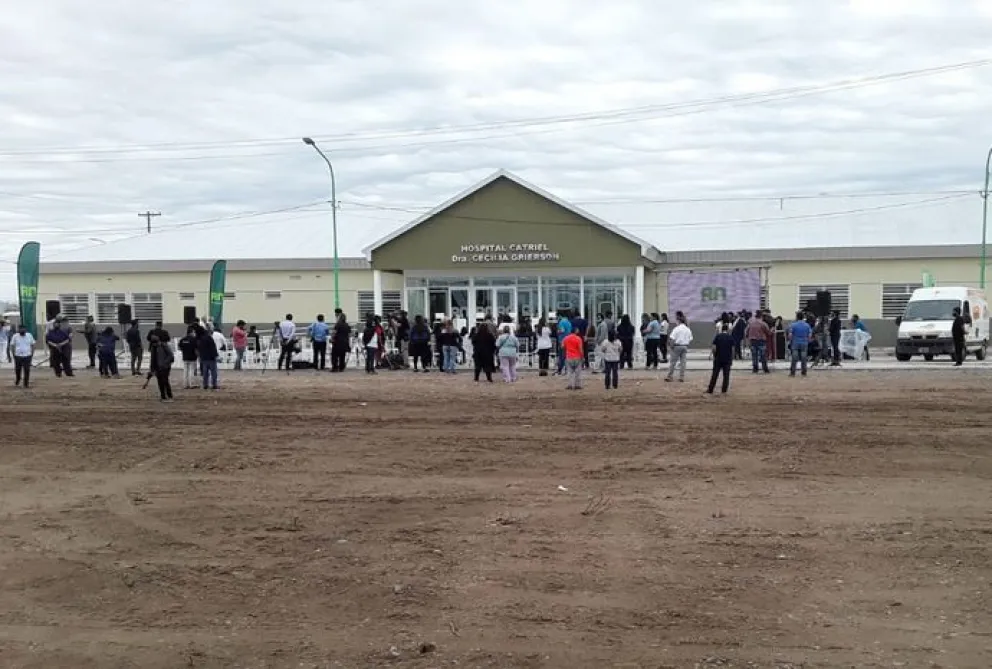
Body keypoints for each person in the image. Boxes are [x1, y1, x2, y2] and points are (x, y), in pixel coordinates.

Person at [707, 323, 735, 395]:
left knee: (715, 374)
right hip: (727, 359)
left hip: (718, 358)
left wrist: (714, 355)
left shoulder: (718, 336)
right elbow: (732, 350)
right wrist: (731, 358)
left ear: (721, 329)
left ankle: (710, 389)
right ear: (728, 330)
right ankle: (724, 390)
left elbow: (714, 348)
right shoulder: (730, 337)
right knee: (726, 376)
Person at [665, 314, 693, 383]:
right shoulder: (687, 329)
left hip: (676, 346)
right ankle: (681, 377)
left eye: (676, 320)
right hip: (685, 346)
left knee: (673, 362)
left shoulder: (676, 329)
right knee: (683, 362)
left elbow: (672, 339)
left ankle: (670, 376)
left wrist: (671, 346)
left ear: (679, 321)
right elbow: (690, 338)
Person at [146, 334, 175, 401]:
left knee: (165, 381)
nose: (155, 344)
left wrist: (164, 363)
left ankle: (170, 396)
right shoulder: (153, 348)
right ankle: (163, 396)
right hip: (157, 368)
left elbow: (171, 356)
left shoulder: (164, 346)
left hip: (165, 367)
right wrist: (151, 369)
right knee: (160, 382)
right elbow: (152, 359)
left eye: (155, 343)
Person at [788, 311, 813, 377]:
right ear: (803, 317)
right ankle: (804, 372)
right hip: (804, 342)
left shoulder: (793, 325)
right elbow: (810, 335)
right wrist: (808, 340)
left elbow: (790, 335)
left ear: (797, 317)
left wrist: (790, 341)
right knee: (804, 358)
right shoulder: (807, 325)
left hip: (795, 342)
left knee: (794, 358)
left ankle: (792, 372)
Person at [11, 324, 35, 388]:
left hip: (27, 356)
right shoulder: (15, 336)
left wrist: (32, 354)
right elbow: (12, 346)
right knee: (18, 370)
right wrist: (13, 355)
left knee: (27, 370)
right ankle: (18, 379)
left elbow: (32, 345)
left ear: (25, 329)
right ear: (18, 330)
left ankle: (26, 383)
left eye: (23, 329)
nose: (22, 330)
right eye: (20, 329)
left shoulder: (29, 335)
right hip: (18, 356)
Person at [197, 325, 220, 389]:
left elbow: (198, 349)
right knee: (213, 372)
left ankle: (205, 384)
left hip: (203, 357)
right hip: (211, 357)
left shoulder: (199, 339)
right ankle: (214, 384)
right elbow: (213, 347)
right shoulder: (209, 338)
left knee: (205, 372)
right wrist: (215, 355)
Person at [555, 310, 573, 375]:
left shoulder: (561, 322)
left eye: (557, 316)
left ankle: (560, 369)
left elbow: (562, 330)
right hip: (568, 340)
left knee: (561, 356)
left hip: (562, 340)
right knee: (566, 355)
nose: (557, 318)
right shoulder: (569, 322)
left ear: (560, 316)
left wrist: (558, 331)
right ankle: (566, 369)